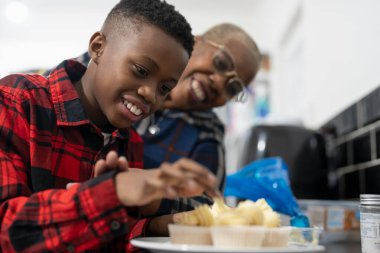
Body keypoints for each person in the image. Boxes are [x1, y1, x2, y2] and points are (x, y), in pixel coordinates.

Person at [0, 0, 220, 252]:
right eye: (140, 70)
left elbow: (107, 239)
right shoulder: (15, 99)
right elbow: (5, 229)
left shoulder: (129, 142)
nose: (150, 94)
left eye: (165, 88)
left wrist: (155, 227)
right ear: (98, 47)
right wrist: (109, 193)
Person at [134, 23, 261, 217]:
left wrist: (147, 196)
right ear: (194, 42)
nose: (219, 83)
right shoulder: (131, 75)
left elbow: (210, 207)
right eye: (221, 63)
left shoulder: (207, 132)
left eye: (233, 88)